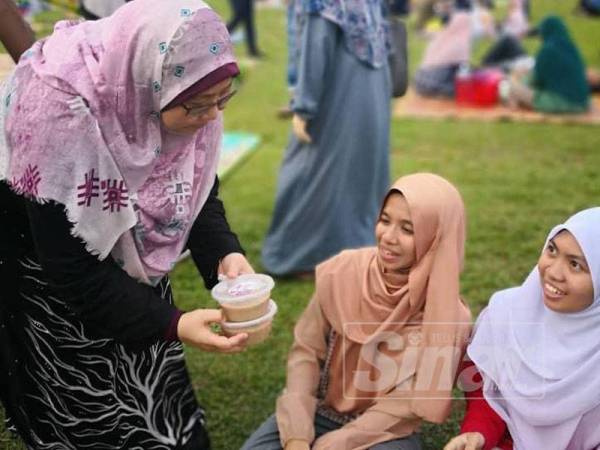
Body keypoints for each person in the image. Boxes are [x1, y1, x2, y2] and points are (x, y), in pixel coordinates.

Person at [0, 1, 255, 448]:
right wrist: (174, 323)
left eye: (223, 100)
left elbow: (195, 193)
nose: (211, 117)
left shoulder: (186, 83)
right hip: (55, 285)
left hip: (131, 267)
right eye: (198, 106)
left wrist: (226, 257)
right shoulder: (58, 115)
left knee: (154, 391)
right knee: (89, 411)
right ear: (147, 87)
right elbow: (71, 270)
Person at [246, 173, 472, 450]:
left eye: (408, 229)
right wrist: (297, 436)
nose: (388, 237)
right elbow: (306, 353)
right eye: (385, 220)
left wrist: (338, 443)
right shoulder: (343, 272)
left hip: (386, 432)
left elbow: (407, 406)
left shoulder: (449, 316)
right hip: (316, 412)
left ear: (435, 238)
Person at [444, 207, 600, 450]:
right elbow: (486, 392)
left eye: (575, 265)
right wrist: (477, 432)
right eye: (552, 250)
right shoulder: (505, 315)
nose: (553, 272)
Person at [261, 0, 392, 277]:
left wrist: (304, 106)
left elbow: (315, 46)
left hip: (339, 89)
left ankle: (304, 256)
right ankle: (354, 249)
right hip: (373, 87)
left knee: (313, 171)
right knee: (357, 174)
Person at [506, 16, 590, 113]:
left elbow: (535, 81)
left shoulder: (547, 51)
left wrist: (519, 80)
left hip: (563, 103)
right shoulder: (572, 48)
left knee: (513, 89)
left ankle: (513, 108)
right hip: (583, 103)